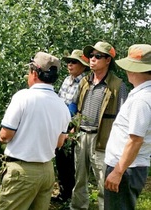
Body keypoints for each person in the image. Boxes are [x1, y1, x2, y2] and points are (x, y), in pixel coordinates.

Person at [0, 52, 71, 210]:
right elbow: (59, 142)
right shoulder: (62, 105)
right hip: (47, 171)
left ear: (34, 73)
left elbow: (5, 135)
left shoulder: (23, 97)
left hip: (22, 171)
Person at [70, 41, 128, 210]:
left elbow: (123, 118)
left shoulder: (118, 86)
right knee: (79, 180)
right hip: (82, 137)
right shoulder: (84, 82)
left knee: (104, 182)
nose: (92, 59)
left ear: (108, 60)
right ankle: (78, 207)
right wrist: (73, 125)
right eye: (91, 56)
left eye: (97, 56)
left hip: (103, 139)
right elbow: (74, 105)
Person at [104, 44, 151, 210]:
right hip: (129, 167)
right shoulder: (142, 94)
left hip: (126, 169)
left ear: (136, 70)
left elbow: (136, 139)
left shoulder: (141, 100)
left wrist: (117, 171)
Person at [52, 49, 90, 203]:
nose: (69, 64)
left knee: (70, 162)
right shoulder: (67, 80)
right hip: (60, 122)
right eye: (68, 61)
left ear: (82, 65)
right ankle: (64, 193)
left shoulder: (85, 82)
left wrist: (73, 128)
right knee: (60, 158)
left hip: (71, 125)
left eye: (74, 62)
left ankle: (71, 196)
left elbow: (82, 107)